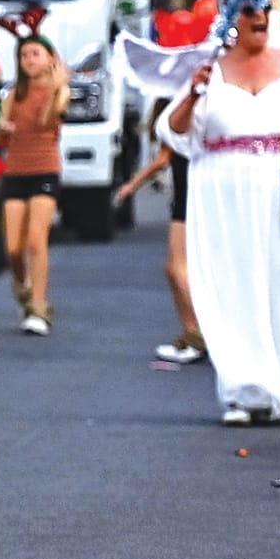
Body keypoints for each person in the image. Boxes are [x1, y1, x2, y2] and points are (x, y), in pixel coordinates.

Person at [163, 3, 280, 426]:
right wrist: (192, 94)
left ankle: (273, 384)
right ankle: (245, 391)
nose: (257, 17)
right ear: (232, 21)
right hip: (220, 193)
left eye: (264, 8)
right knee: (230, 287)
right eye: (246, 10)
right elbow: (174, 130)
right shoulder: (212, 69)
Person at [115, 103, 204, 364]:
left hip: (186, 196)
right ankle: (200, 333)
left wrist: (131, 185)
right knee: (196, 268)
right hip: (202, 194)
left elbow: (163, 159)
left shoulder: (180, 112)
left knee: (176, 268)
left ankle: (194, 335)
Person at [0, 35, 68, 335]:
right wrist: (2, 128)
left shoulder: (61, 92)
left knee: (36, 241)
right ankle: (22, 284)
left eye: (36, 54)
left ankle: (39, 306)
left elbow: (45, 121)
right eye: (24, 55)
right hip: (15, 171)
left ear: (50, 58)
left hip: (44, 170)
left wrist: (54, 88)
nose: (29, 60)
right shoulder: (13, 95)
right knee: (13, 248)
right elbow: (1, 140)